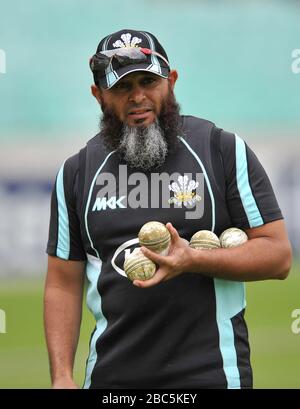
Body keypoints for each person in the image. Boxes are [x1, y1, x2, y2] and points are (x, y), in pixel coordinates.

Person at [44, 29, 292, 389]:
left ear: (171, 81)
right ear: (98, 95)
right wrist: (62, 377)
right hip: (111, 381)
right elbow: (62, 283)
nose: (138, 97)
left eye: (149, 81)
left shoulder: (221, 150)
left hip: (213, 375)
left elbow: (278, 256)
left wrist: (194, 260)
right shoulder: (77, 172)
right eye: (122, 87)